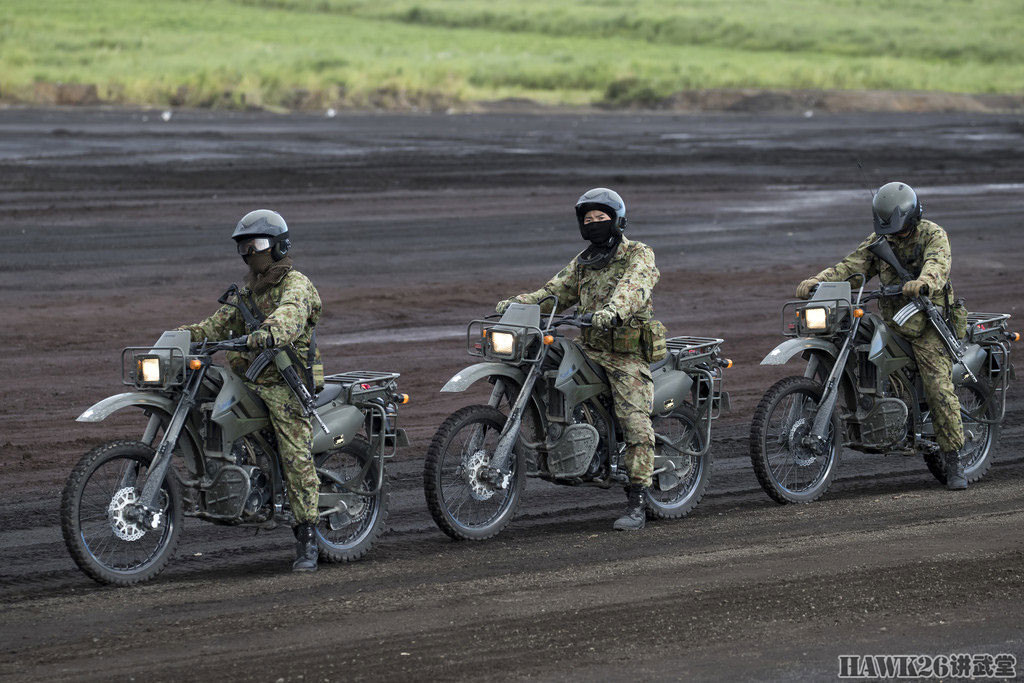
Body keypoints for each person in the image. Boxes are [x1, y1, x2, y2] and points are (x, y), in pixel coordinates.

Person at [497, 188, 660, 529]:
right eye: (588, 219)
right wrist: (518, 305)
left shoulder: (637, 254)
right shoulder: (584, 261)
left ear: (616, 221)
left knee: (635, 422)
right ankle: (558, 433)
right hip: (588, 347)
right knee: (537, 353)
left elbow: (634, 288)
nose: (594, 224)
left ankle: (637, 501)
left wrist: (613, 312)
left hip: (625, 354)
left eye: (601, 218)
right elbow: (553, 293)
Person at [796, 181, 967, 489]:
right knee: (851, 336)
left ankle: (954, 460)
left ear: (910, 217)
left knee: (938, 386)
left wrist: (923, 282)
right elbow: (851, 265)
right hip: (893, 322)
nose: (894, 234)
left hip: (929, 324)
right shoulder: (880, 240)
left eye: (897, 227)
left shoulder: (933, 234)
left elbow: (938, 264)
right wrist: (818, 280)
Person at [179, 209, 325, 569]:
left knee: (295, 452)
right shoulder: (247, 291)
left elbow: (289, 317)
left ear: (278, 245)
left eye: (256, 244)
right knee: (202, 395)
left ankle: (306, 533)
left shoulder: (296, 284)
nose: (249, 252)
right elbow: (216, 325)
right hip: (248, 382)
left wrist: (268, 333)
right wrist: (182, 337)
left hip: (283, 385)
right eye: (243, 246)